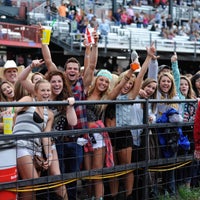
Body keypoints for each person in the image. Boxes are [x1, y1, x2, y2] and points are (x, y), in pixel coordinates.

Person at [40, 28, 99, 199]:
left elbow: (92, 65)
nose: (72, 70)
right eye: (69, 68)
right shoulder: (59, 83)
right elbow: (48, 60)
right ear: (65, 71)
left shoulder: (83, 83)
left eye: (75, 68)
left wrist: (94, 44)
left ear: (78, 71)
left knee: (73, 176)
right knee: (59, 176)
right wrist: (44, 40)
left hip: (76, 138)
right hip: (58, 139)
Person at [104, 45, 156, 200]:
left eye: (130, 84)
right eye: (126, 82)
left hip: (124, 134)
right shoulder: (111, 95)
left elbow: (140, 78)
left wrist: (148, 57)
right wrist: (130, 72)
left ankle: (129, 196)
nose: (127, 85)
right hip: (109, 135)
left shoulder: (130, 97)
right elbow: (120, 86)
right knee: (112, 168)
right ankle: (113, 196)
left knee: (126, 168)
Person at [11, 79, 68, 200]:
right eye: (43, 90)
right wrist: (10, 112)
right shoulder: (28, 100)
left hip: (36, 149)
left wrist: (49, 155)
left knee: (30, 185)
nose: (46, 93)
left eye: (48, 90)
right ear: (35, 92)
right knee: (32, 181)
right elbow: (14, 109)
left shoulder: (50, 114)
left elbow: (45, 136)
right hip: (21, 144)